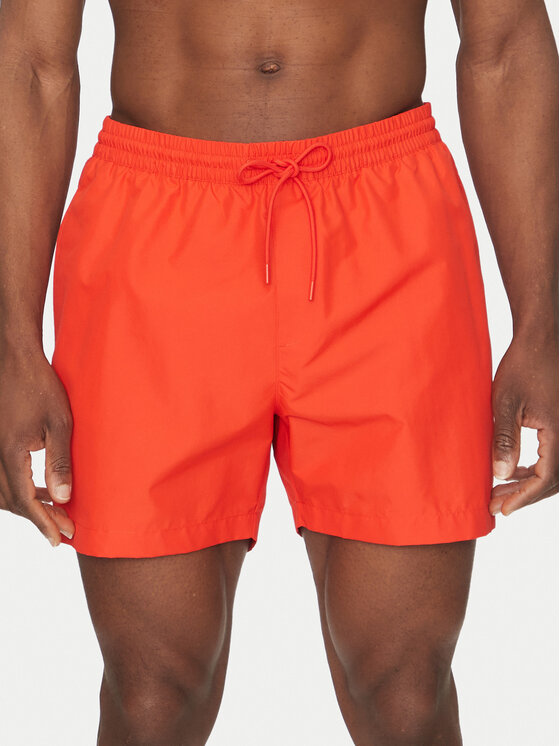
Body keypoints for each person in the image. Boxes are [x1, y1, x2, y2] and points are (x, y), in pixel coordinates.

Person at [0, 0, 557, 743]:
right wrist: (12, 345)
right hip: (154, 237)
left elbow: (505, 42)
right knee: (153, 695)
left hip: (388, 228)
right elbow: (31, 60)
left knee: (405, 692)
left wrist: (542, 327)